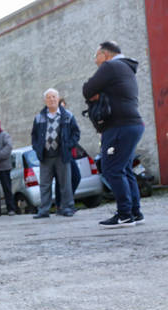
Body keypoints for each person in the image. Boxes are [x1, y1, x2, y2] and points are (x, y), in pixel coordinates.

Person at [83, 41, 145, 228]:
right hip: (132, 125)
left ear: (105, 54)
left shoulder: (111, 66)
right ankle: (135, 212)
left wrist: (97, 95)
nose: (95, 62)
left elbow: (87, 90)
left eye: (97, 57)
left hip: (119, 126)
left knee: (112, 169)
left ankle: (125, 215)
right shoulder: (125, 67)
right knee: (124, 169)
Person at [30, 88, 80, 219]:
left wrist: (68, 145)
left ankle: (68, 208)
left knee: (65, 183)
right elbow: (34, 135)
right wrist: (37, 148)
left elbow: (76, 133)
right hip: (45, 156)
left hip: (62, 155)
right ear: (45, 100)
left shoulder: (68, 115)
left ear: (58, 99)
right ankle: (44, 210)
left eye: (54, 97)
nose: (51, 99)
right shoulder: (39, 117)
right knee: (44, 184)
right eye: (49, 97)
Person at [54, 98, 81, 209]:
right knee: (60, 180)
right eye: (61, 106)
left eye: (64, 106)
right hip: (56, 155)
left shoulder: (68, 118)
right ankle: (61, 205)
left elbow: (76, 133)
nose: (63, 109)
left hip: (68, 154)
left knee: (76, 177)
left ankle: (66, 202)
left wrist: (69, 144)